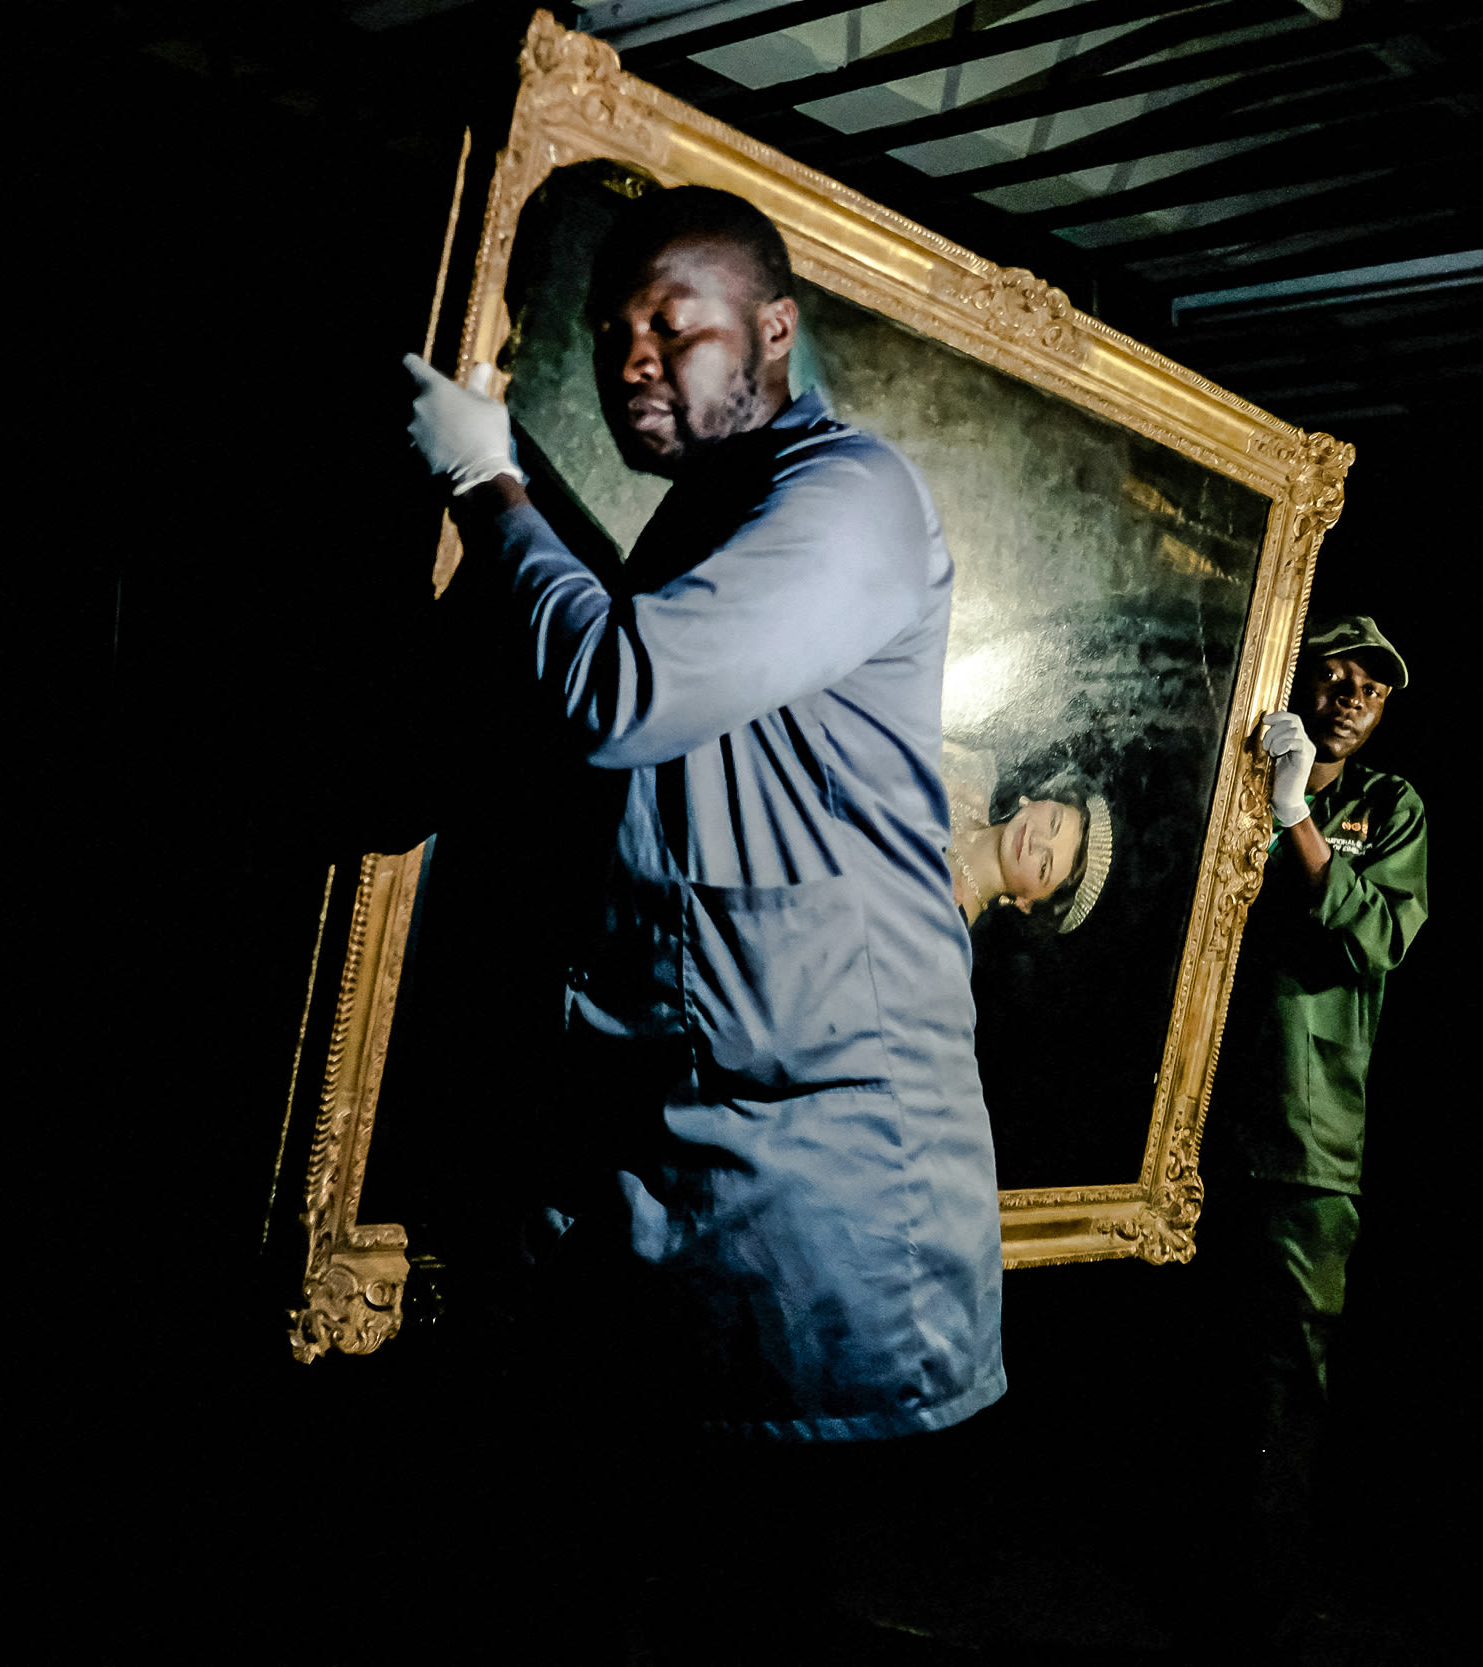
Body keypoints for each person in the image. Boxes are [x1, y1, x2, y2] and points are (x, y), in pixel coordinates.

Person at [401, 185, 1002, 1654]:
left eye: (677, 324)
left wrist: (491, 487)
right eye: (616, 334)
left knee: (762, 1597)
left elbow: (623, 693)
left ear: (776, 330)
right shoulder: (704, 520)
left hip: (821, 1198)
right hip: (692, 1176)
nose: (637, 359)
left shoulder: (849, 496)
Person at [1207, 613, 1429, 1546]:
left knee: (1287, 1371)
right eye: (1339, 677)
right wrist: (1267, 796)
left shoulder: (1391, 804)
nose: (1353, 699)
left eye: (1373, 691)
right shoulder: (1232, 778)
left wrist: (1298, 817)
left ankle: (1265, 1611)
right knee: (1201, 1354)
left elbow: (1381, 936)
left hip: (1309, 1137)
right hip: (1195, 1113)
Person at [938, 741, 1114, 932]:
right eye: (1053, 823)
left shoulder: (947, 922)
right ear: (1041, 801)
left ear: (1026, 903)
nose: (1035, 840)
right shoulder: (971, 771)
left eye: (1044, 866)